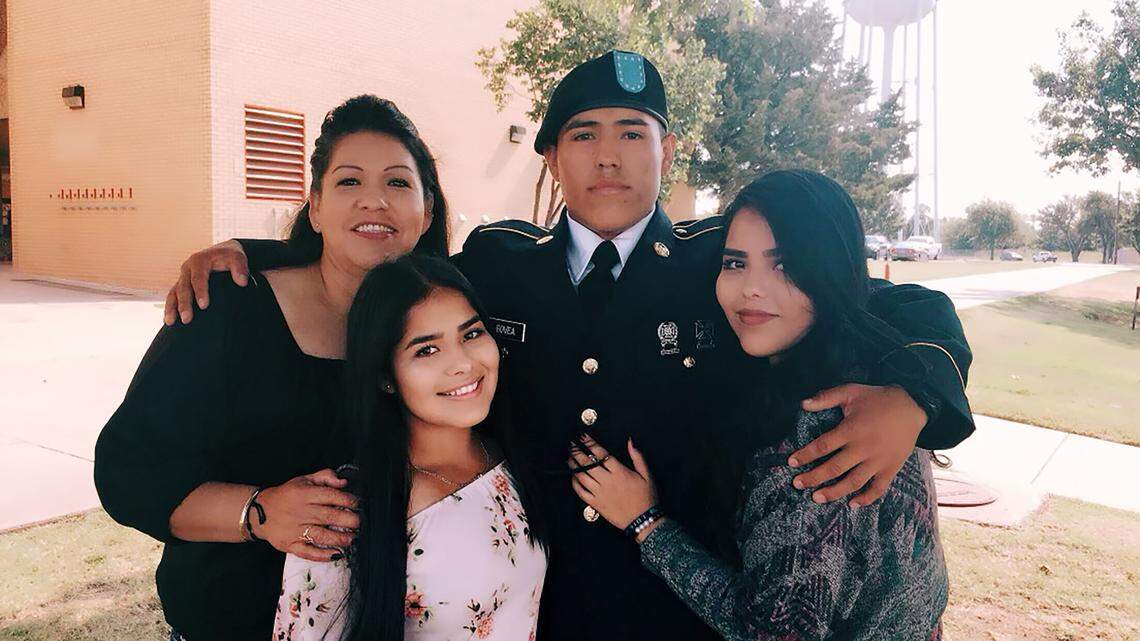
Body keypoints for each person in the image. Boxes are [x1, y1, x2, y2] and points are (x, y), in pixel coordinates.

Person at [162, 52, 972, 640]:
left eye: (634, 132)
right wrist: (252, 253)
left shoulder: (721, 260)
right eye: (582, 135)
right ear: (551, 156)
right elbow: (391, 267)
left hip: (677, 608)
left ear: (668, 150)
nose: (609, 155)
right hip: (537, 600)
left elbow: (900, 302)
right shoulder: (498, 261)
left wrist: (916, 398)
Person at [94, 95, 449, 641]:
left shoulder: (442, 327)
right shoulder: (229, 308)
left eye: (398, 183)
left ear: (426, 213)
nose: (374, 201)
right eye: (349, 182)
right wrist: (257, 513)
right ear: (315, 206)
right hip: (232, 620)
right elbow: (129, 473)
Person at [570, 170, 952, 640]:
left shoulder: (820, 435)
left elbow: (773, 633)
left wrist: (646, 523)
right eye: (735, 263)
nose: (752, 287)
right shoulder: (863, 369)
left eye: (784, 265)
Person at [273, 255, 548, 641]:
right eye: (427, 350)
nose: (463, 364)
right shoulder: (346, 512)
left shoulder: (509, 460)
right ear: (386, 377)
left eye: (471, 334)